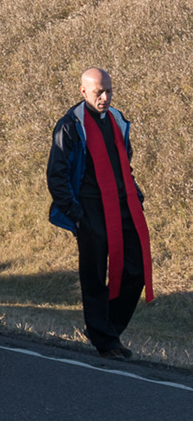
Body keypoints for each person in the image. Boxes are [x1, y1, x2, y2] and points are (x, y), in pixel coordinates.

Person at [47, 68, 153, 359]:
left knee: (135, 270)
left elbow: (124, 165)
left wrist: (136, 195)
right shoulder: (70, 125)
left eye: (109, 90)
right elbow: (56, 174)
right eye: (98, 92)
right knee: (94, 275)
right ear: (83, 92)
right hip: (90, 208)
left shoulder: (117, 120)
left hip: (122, 204)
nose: (105, 97)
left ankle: (108, 330)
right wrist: (75, 213)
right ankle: (105, 340)